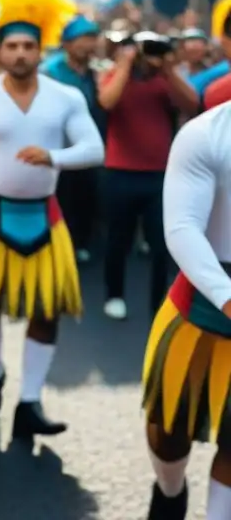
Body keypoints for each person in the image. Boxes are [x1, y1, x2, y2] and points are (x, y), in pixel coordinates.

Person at [0, 0, 104, 440]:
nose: (20, 53)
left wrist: (53, 156)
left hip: (46, 213)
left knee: (48, 310)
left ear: (41, 51)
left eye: (28, 46)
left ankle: (30, 401)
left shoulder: (66, 96)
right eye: (12, 46)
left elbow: (94, 149)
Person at [141, 102, 231, 520]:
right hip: (201, 307)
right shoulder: (204, 133)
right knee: (168, 434)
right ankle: (170, 490)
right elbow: (182, 227)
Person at [97, 31, 198, 319]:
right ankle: (114, 294)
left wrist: (167, 70)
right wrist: (126, 64)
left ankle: (160, 302)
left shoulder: (165, 79)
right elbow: (107, 102)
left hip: (160, 175)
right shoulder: (116, 75)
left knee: (162, 244)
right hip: (120, 172)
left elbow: (191, 104)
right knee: (118, 240)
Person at [41, 15, 105, 263]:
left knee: (85, 198)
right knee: (61, 199)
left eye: (92, 39)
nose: (89, 45)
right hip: (58, 149)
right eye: (83, 39)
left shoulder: (94, 73)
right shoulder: (51, 71)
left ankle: (79, 243)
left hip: (87, 147)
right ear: (67, 44)